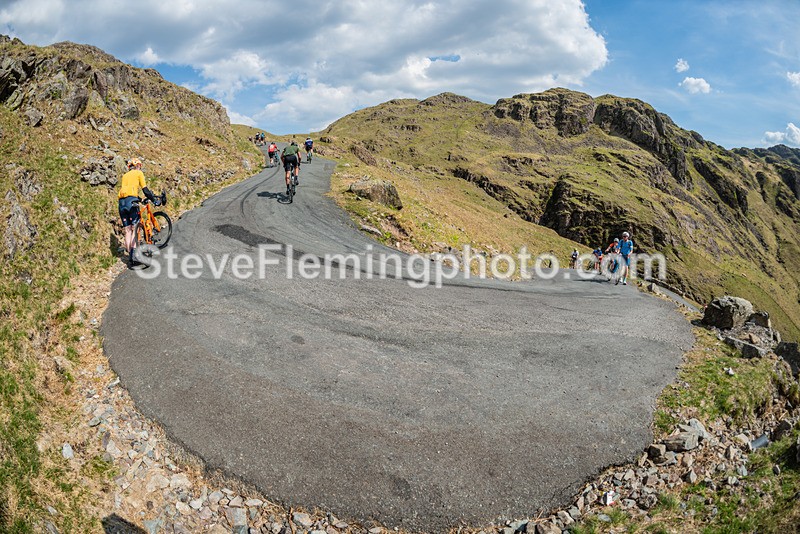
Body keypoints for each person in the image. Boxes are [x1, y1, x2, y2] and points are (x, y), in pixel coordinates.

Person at [117, 157, 156, 264]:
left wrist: (140, 199)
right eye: (139, 166)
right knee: (135, 229)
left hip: (121, 203)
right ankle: (134, 255)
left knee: (127, 230)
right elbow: (145, 189)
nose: (140, 167)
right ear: (137, 166)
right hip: (131, 203)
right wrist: (153, 199)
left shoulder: (125, 176)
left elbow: (128, 191)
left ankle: (130, 255)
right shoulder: (139, 174)